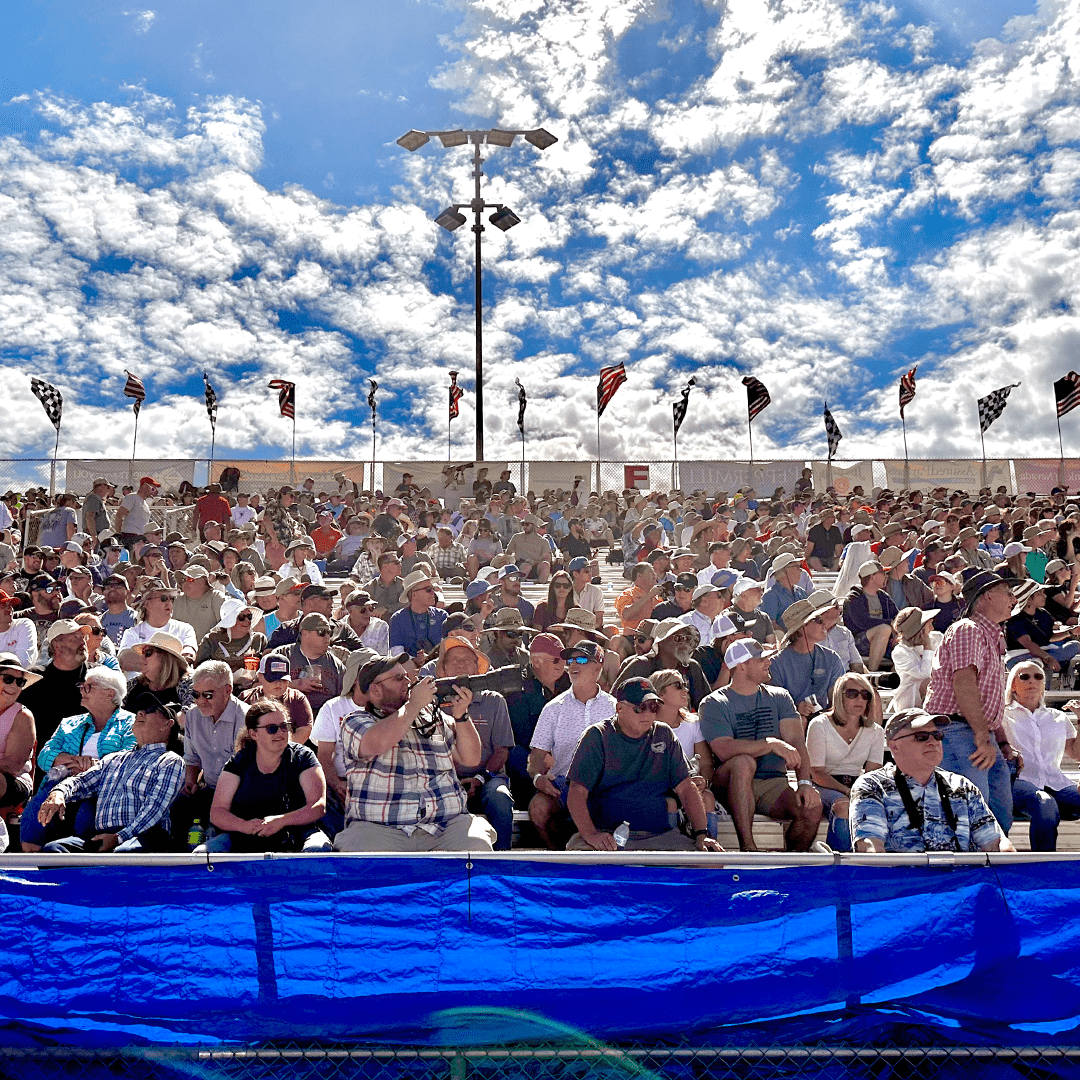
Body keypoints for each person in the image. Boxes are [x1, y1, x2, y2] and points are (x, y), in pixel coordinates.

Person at [334, 658, 496, 852]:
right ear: (375, 690)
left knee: (477, 849)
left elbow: (470, 758)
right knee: (365, 863)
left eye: (408, 677)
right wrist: (414, 704)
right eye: (399, 678)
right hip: (380, 829)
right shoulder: (356, 721)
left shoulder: (431, 716)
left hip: (445, 826)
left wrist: (461, 715)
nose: (408, 683)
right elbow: (377, 743)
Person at [565, 678, 722, 852]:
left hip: (660, 836)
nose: (648, 714)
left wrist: (702, 834)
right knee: (579, 864)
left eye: (653, 707)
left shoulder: (664, 734)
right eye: (640, 708)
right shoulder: (597, 736)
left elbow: (686, 788)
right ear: (619, 708)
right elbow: (577, 792)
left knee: (710, 862)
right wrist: (591, 835)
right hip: (607, 836)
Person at [700, 638, 822, 852]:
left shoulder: (780, 696)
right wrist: (770, 744)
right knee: (743, 763)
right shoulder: (714, 703)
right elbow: (724, 748)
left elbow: (795, 743)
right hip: (729, 783)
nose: (768, 662)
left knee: (812, 808)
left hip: (773, 782)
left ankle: (791, 864)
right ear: (741, 665)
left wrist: (804, 782)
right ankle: (748, 848)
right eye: (761, 660)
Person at [925, 570, 1019, 833]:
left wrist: (1000, 741)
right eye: (1007, 592)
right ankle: (969, 873)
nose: (1013, 598)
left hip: (976, 732)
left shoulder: (989, 633)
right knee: (972, 817)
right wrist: (981, 736)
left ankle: (987, 872)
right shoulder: (969, 629)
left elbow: (988, 696)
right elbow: (964, 684)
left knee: (996, 816)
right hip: (959, 731)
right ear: (988, 595)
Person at [36, 690, 185, 852]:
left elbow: (155, 809)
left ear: (167, 724)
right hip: (103, 835)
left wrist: (119, 837)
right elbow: (81, 781)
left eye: (150, 711)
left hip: (144, 835)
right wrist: (59, 792)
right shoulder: (114, 758)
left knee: (123, 854)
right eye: (140, 710)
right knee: (53, 849)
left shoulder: (170, 760)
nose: (140, 713)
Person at [850, 708, 1014, 853]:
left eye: (937, 735)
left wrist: (1007, 854)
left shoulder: (963, 786)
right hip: (902, 883)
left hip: (960, 883)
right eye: (921, 737)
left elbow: (995, 842)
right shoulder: (872, 786)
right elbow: (871, 849)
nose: (933, 742)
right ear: (894, 746)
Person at [21, 666, 134, 851]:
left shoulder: (131, 723)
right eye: (82, 686)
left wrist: (94, 767)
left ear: (109, 693)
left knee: (85, 817)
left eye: (89, 686)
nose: (82, 690)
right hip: (60, 783)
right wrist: (71, 760)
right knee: (34, 813)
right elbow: (44, 756)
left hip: (102, 789)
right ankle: (33, 866)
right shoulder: (69, 723)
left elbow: (128, 757)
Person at [200, 699, 330, 852]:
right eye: (272, 729)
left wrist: (281, 821)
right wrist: (244, 826)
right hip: (243, 835)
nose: (281, 733)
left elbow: (318, 806)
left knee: (317, 849)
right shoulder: (239, 761)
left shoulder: (303, 757)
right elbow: (218, 811)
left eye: (284, 727)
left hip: (298, 833)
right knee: (203, 854)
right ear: (253, 733)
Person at [528, 640, 617, 849]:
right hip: (564, 786)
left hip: (606, 786)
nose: (574, 665)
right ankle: (558, 859)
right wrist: (537, 778)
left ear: (599, 667)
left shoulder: (616, 708)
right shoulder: (552, 708)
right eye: (571, 660)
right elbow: (536, 757)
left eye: (582, 659)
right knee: (538, 808)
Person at [435, 638, 516, 850]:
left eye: (467, 660)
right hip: (444, 778)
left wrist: (481, 778)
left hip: (489, 777)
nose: (461, 665)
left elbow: (502, 751)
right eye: (454, 660)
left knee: (500, 799)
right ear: (443, 669)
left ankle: (501, 863)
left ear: (476, 666)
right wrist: (453, 780)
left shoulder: (494, 700)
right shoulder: (432, 703)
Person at [1002, 660, 1080, 851]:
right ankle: (1045, 863)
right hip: (1018, 782)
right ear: (1013, 685)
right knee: (1045, 803)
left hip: (1056, 782)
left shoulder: (1057, 716)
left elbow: (1076, 754)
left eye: (1038, 677)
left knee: (1049, 801)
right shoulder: (1002, 715)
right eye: (1024, 676)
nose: (1032, 681)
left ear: (1044, 685)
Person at [806, 673, 885, 850]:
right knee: (845, 807)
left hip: (856, 785)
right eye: (852, 693)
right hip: (822, 785)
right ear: (839, 696)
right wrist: (847, 791)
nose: (859, 699)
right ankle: (839, 862)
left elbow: (873, 772)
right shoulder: (819, 724)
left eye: (865, 695)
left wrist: (856, 792)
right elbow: (816, 772)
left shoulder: (876, 731)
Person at [176, 660, 248, 841]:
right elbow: (191, 758)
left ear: (227, 691)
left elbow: (248, 768)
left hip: (240, 793)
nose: (200, 701)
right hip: (208, 790)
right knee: (177, 810)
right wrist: (190, 780)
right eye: (195, 694)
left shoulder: (247, 718)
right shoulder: (192, 715)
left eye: (208, 695)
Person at [310, 648, 378, 838]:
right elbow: (324, 755)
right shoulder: (333, 708)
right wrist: (338, 784)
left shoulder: (388, 708)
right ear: (357, 678)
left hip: (376, 785)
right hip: (340, 783)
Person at [503, 633, 570, 805]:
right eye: (556, 660)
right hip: (532, 753)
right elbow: (523, 735)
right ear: (536, 661)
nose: (562, 664)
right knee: (516, 755)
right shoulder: (517, 688)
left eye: (564, 659)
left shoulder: (570, 683)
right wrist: (546, 756)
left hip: (564, 752)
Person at [767, 598, 846, 720]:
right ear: (801, 628)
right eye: (818, 620)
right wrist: (796, 707)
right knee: (800, 720)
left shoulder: (832, 658)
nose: (824, 623)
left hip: (826, 720)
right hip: (792, 721)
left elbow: (836, 700)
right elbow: (777, 704)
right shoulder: (776, 663)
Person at [273, 613, 345, 715]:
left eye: (330, 632)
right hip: (286, 717)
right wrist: (294, 684)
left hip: (324, 719)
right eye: (322, 632)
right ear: (305, 633)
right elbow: (261, 685)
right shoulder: (282, 655)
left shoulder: (336, 664)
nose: (327, 637)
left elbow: (345, 699)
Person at [0, 654, 37, 846]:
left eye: (20, 681)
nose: (14, 686)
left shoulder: (23, 716)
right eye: (8, 679)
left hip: (14, 782)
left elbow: (12, 765)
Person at [842, 559, 899, 672]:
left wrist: (898, 633)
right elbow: (863, 623)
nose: (886, 576)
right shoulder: (854, 598)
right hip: (857, 643)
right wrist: (890, 624)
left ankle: (894, 678)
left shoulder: (883, 596)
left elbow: (897, 617)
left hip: (885, 640)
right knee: (884, 629)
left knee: (908, 641)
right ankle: (872, 674)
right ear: (872, 577)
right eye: (883, 573)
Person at [388, 569, 447, 661]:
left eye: (433, 589)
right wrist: (414, 660)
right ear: (414, 594)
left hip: (439, 664)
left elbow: (449, 648)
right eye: (428, 590)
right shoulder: (397, 619)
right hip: (409, 667)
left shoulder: (442, 616)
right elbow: (397, 653)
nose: (433, 593)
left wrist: (429, 659)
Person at [889, 606, 939, 713]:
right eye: (929, 625)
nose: (932, 629)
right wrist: (927, 647)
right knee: (928, 682)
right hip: (909, 705)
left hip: (934, 698)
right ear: (920, 631)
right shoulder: (900, 652)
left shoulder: (936, 638)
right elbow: (925, 674)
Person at [195, 599, 267, 670]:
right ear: (230, 620)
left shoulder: (259, 639)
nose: (247, 621)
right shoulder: (211, 640)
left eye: (249, 616)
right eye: (241, 617)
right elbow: (198, 668)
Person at [172, 566, 225, 645]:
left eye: (190, 579)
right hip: (181, 651)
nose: (185, 583)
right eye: (183, 580)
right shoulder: (176, 600)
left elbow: (225, 627)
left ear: (203, 581)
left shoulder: (216, 597)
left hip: (209, 653)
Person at [113, 476, 159, 549]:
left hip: (139, 537)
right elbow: (119, 515)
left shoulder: (145, 503)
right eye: (153, 488)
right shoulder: (132, 497)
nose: (155, 491)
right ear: (145, 486)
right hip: (130, 536)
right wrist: (119, 533)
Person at [0, 589, 36, 668]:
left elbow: (24, 662)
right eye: (3, 605)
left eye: (10, 605)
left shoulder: (24, 625)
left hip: (23, 678)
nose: (9, 609)